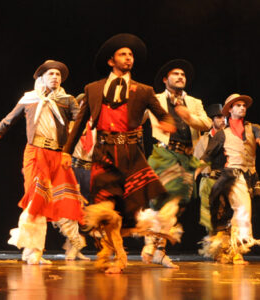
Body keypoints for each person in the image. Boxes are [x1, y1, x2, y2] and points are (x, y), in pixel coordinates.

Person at [62, 33, 176, 273]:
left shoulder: (143, 91)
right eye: (123, 54)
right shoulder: (92, 89)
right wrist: (66, 152)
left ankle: (119, 250)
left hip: (131, 155)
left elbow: (163, 115)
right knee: (105, 210)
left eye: (131, 55)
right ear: (111, 61)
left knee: (129, 210)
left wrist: (168, 123)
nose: (128, 58)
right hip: (104, 153)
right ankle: (118, 256)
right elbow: (81, 122)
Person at [0, 60, 87, 264]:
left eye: (58, 75)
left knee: (66, 199)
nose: (55, 77)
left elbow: (80, 123)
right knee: (37, 197)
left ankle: (73, 246)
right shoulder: (29, 99)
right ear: (42, 77)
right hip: (36, 153)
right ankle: (33, 251)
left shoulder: (67, 100)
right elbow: (6, 122)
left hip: (58, 154)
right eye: (51, 74)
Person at [142, 59, 211, 268]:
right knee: (164, 199)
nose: (180, 77)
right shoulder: (154, 99)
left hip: (188, 157)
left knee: (179, 202)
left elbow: (207, 123)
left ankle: (157, 247)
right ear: (165, 79)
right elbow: (136, 116)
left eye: (183, 74)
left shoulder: (194, 102)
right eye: (175, 74)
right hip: (164, 154)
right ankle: (154, 246)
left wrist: (188, 115)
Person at [197, 94, 260, 264]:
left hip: (251, 176)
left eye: (244, 106)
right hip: (230, 176)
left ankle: (234, 249)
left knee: (253, 204)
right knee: (238, 209)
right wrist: (193, 173)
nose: (242, 108)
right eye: (237, 105)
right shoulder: (222, 134)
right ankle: (234, 247)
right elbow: (206, 156)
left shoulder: (252, 128)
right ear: (229, 110)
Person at [192, 103, 225, 233]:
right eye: (219, 117)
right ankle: (213, 244)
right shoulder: (203, 139)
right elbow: (196, 159)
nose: (222, 120)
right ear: (211, 120)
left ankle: (226, 245)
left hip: (224, 178)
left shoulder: (228, 136)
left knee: (224, 212)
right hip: (207, 179)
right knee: (208, 214)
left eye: (224, 117)